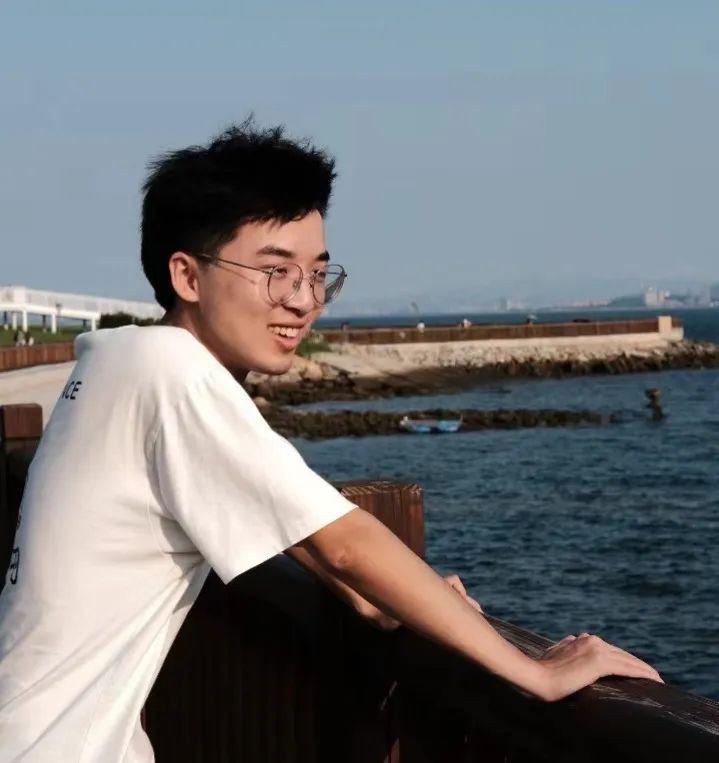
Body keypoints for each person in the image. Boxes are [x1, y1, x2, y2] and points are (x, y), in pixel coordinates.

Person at [0, 121, 661, 762]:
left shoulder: (116, 362)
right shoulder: (172, 373)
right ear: (188, 277)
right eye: (274, 271)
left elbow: (288, 522)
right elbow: (342, 542)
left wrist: (362, 592)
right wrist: (532, 670)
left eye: (317, 274)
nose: (302, 300)